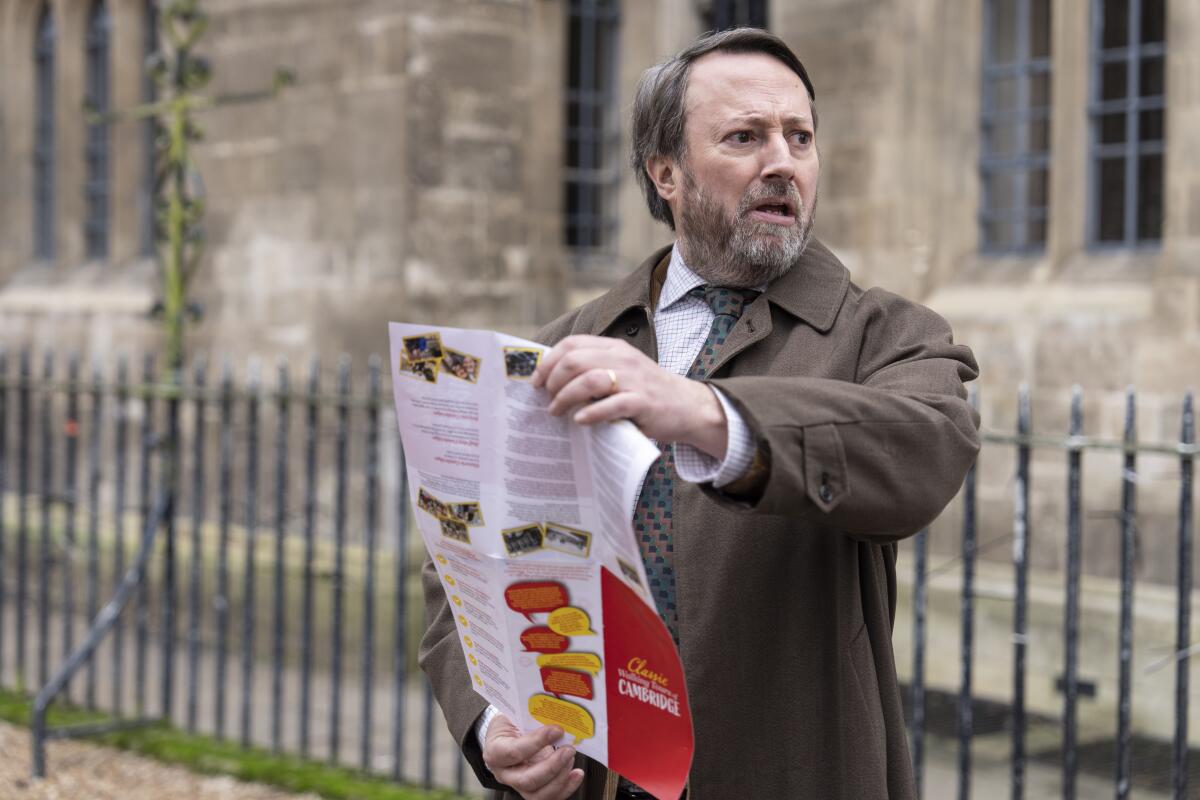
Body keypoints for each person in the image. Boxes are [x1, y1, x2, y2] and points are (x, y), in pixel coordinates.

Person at [420, 28, 979, 800]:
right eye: (745, 137)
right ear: (667, 173)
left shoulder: (887, 336)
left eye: (800, 137)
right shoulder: (560, 349)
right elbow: (464, 567)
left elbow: (927, 451)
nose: (782, 162)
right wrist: (490, 726)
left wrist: (706, 413)